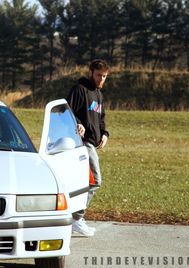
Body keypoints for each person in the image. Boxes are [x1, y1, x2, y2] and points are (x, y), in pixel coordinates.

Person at [66, 59, 110, 236]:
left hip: (93, 142)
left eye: (105, 76)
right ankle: (76, 219)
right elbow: (66, 111)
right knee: (95, 180)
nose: (101, 79)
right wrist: (78, 123)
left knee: (86, 182)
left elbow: (101, 118)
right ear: (90, 72)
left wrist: (105, 134)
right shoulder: (79, 89)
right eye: (98, 75)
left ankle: (74, 218)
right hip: (82, 143)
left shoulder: (99, 94)